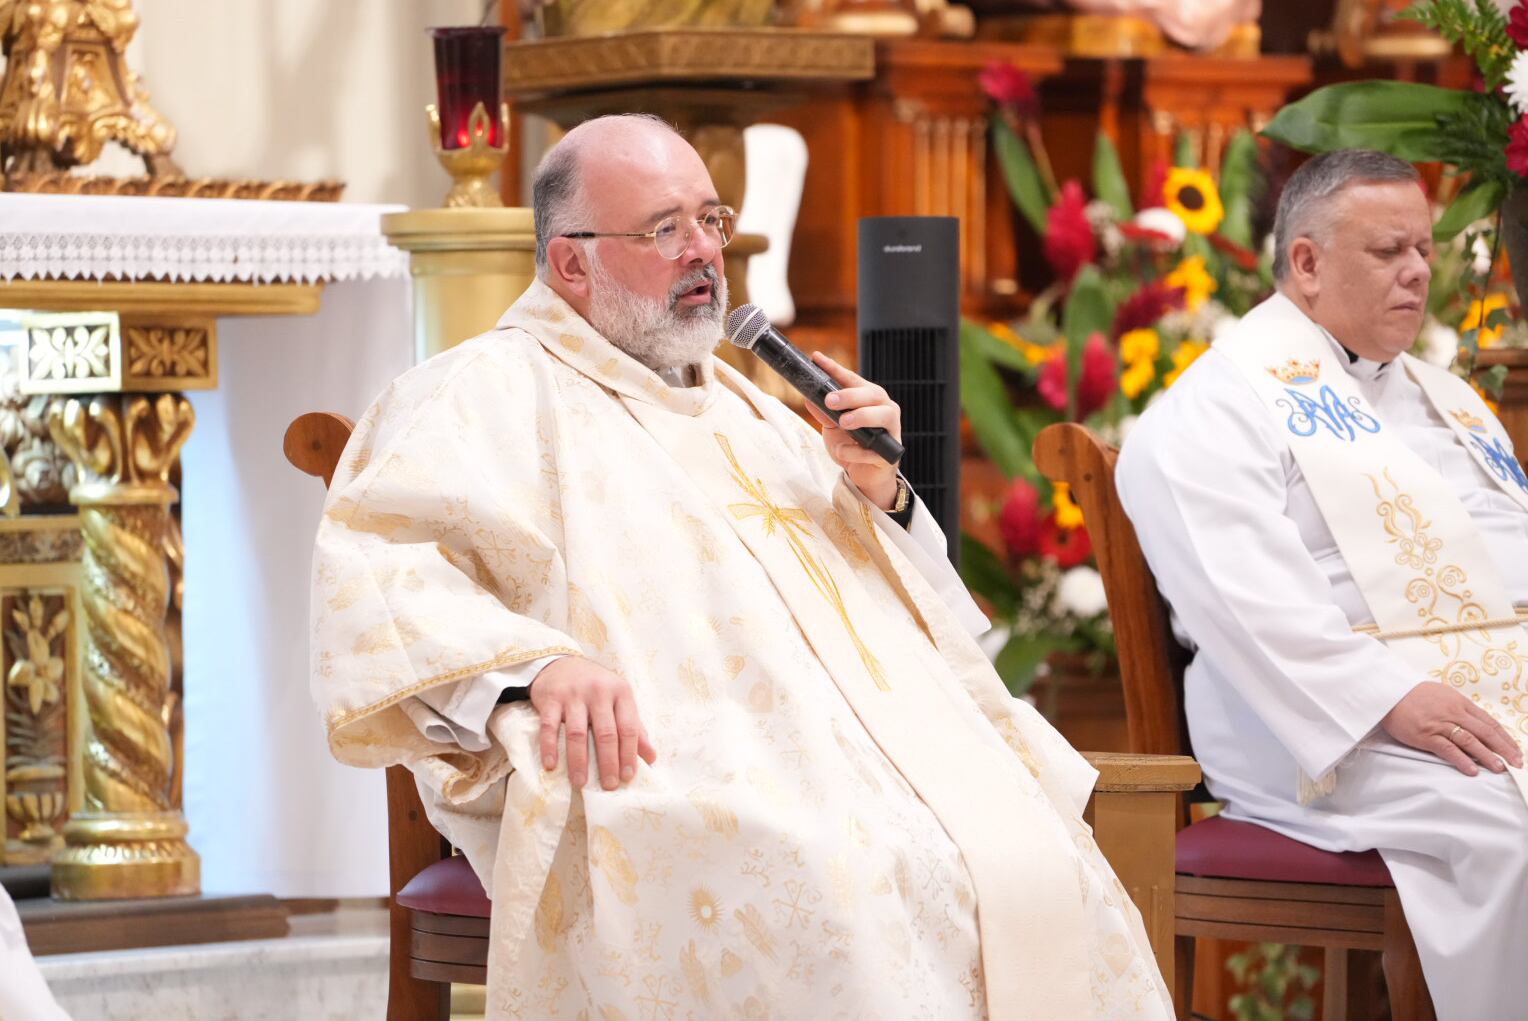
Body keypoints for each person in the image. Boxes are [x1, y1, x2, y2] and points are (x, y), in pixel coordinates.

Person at [310, 113, 1171, 1020]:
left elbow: (898, 613)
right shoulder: (478, 393)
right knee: (838, 881)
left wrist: (879, 495)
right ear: (571, 264)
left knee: (1036, 850)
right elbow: (383, 571)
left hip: (849, 768)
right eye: (663, 230)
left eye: (711, 222)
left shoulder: (747, 410)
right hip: (659, 767)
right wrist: (535, 668)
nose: (704, 254)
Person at [1117, 149, 1528, 1021]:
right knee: (1509, 823)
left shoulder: (1447, 398)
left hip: (1482, 693)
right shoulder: (1215, 410)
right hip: (1319, 724)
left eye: (1423, 247)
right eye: (1388, 251)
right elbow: (1244, 598)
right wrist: (1386, 698)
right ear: (1305, 263)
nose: (1419, 270)